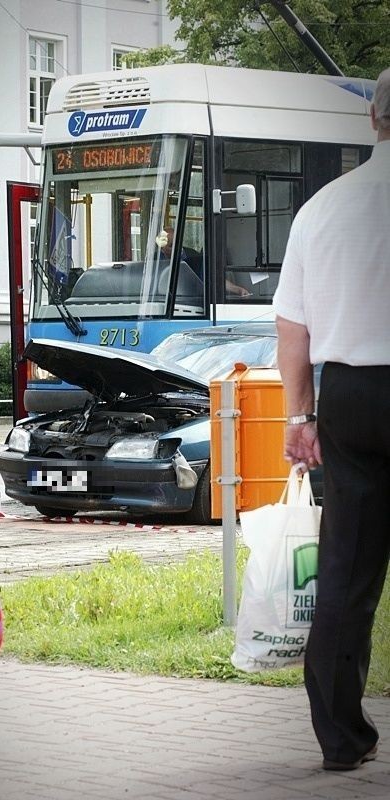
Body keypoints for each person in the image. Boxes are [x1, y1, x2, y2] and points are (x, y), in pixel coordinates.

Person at [272, 68, 390, 772]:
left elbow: (293, 327)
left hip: (347, 397)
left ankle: (340, 738)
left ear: (373, 120)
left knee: (345, 570)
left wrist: (300, 414)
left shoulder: (322, 207)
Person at [156, 226, 250, 296]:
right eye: (169, 246)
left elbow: (212, 278)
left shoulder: (195, 257)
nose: (175, 248)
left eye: (176, 244)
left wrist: (237, 289)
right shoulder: (154, 261)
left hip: (190, 303)